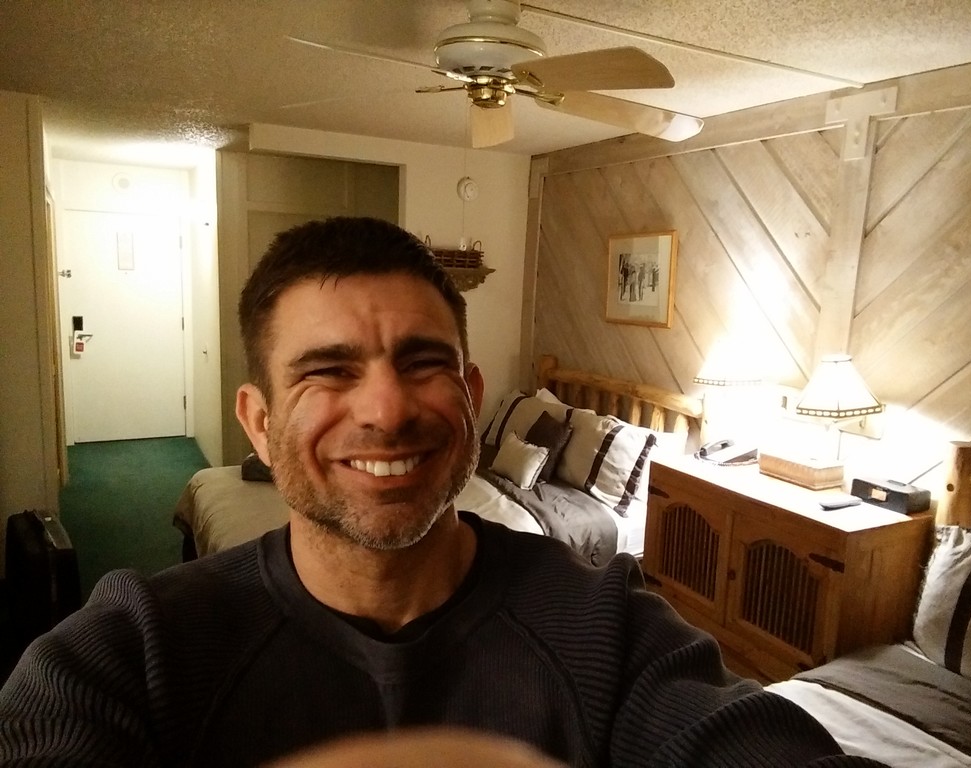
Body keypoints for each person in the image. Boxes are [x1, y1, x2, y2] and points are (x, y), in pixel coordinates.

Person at [0, 217, 886, 767]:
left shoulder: (608, 630)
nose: (387, 410)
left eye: (423, 363)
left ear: (470, 394)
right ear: (259, 423)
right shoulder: (134, 648)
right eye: (328, 371)